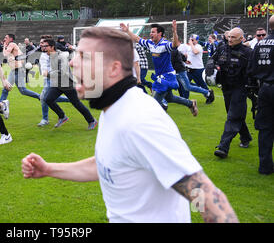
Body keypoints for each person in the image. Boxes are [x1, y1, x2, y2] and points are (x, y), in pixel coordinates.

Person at [22, 27, 239, 223]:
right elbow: (110, 163)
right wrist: (49, 169)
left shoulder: (139, 122)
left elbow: (204, 197)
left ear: (114, 69)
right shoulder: (114, 106)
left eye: (84, 57)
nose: (72, 62)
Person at [120, 21, 198, 116]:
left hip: (167, 76)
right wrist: (127, 31)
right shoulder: (150, 43)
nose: (150, 34)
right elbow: (137, 39)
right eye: (150, 32)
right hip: (160, 76)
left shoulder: (165, 44)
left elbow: (175, 45)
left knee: (155, 103)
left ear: (159, 34)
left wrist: (174, 31)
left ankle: (150, 124)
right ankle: (190, 103)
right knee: (170, 98)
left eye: (153, 32)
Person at [213, 28, 253, 158]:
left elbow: (254, 70)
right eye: (229, 36)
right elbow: (212, 59)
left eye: (233, 37)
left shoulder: (248, 52)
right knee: (234, 114)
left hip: (240, 88)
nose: (229, 39)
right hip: (226, 87)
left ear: (242, 38)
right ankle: (246, 137)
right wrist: (210, 66)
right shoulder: (222, 48)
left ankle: (223, 147)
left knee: (232, 117)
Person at [42, 38, 97, 130]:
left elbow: (62, 72)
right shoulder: (51, 55)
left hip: (67, 84)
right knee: (48, 99)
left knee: (76, 104)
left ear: (52, 47)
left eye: (45, 46)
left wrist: (48, 74)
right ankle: (62, 116)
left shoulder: (61, 56)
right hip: (57, 84)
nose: (43, 48)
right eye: (43, 46)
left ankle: (91, 121)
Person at [247, 15, 274, 175]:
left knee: (265, 128)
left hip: (264, 89)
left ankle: (265, 166)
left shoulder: (260, 43)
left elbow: (251, 69)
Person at [0, 34, 40, 113]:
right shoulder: (13, 46)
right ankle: (0, 106)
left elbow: (5, 54)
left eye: (6, 38)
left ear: (10, 39)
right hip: (14, 70)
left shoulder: (12, 44)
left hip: (18, 70)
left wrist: (4, 46)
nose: (4, 39)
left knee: (23, 91)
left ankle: (40, 96)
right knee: (6, 88)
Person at [37, 35, 70, 127]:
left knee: (44, 98)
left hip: (52, 78)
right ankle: (70, 99)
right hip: (47, 78)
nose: (41, 44)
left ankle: (45, 119)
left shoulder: (54, 53)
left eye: (43, 43)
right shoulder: (43, 54)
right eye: (40, 43)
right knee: (48, 98)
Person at [180, 35, 214, 103]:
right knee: (185, 84)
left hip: (198, 70)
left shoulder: (198, 46)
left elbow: (195, 52)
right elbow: (187, 55)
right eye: (191, 39)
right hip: (189, 69)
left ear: (197, 40)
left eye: (193, 40)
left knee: (202, 84)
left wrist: (191, 44)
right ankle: (185, 99)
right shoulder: (189, 47)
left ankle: (209, 95)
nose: (191, 41)